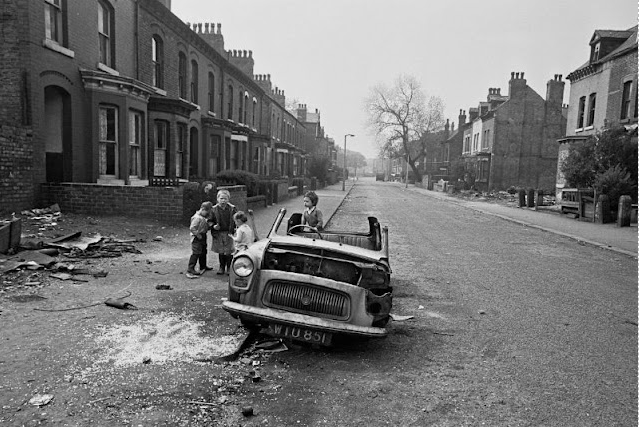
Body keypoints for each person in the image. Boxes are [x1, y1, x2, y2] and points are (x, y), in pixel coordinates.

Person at [210, 189, 238, 275]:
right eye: (221, 198)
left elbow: (236, 219)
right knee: (221, 250)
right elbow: (209, 220)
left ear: (228, 199)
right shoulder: (213, 209)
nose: (223, 201)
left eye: (225, 199)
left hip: (229, 232)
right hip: (218, 233)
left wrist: (237, 228)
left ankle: (229, 267)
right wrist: (213, 226)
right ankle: (221, 267)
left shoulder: (232, 208)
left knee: (228, 250)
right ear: (217, 199)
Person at [187, 201, 212, 279]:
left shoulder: (202, 217)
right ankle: (190, 268)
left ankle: (203, 265)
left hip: (202, 235)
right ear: (202, 209)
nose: (207, 214)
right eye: (207, 212)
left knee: (203, 251)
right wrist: (198, 235)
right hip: (197, 237)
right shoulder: (197, 218)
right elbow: (192, 228)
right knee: (196, 252)